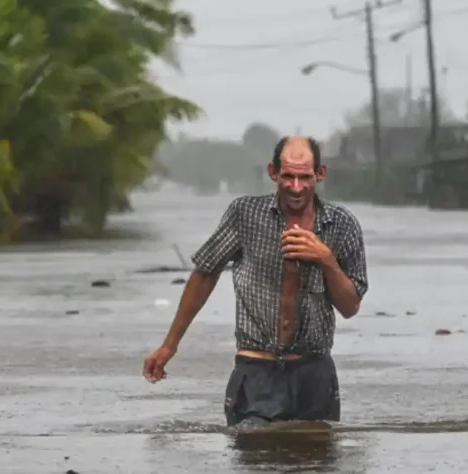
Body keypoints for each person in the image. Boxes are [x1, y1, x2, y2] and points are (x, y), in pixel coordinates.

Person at [142, 135, 369, 429]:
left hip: (315, 372)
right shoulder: (245, 215)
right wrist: (169, 346)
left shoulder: (341, 224)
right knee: (255, 455)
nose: (296, 187)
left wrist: (325, 259)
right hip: (257, 370)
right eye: (288, 176)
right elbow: (205, 273)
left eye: (304, 177)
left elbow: (350, 306)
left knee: (317, 462)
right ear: (273, 172)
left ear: (320, 174)